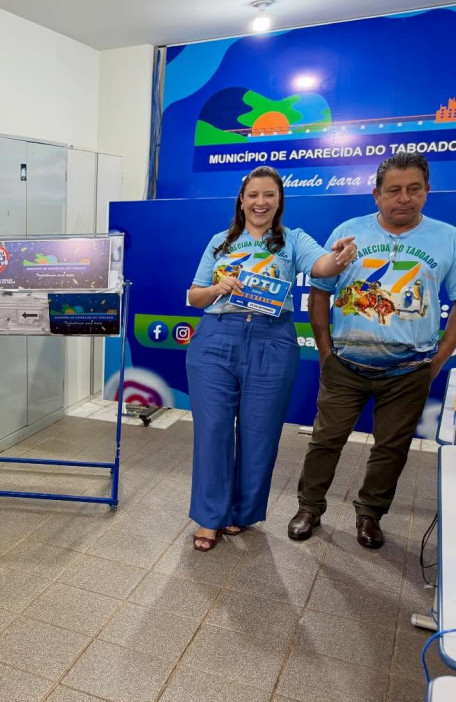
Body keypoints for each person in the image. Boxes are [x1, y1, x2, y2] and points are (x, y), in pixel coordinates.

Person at [186, 166, 357, 551]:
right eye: (253, 195)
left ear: (279, 201)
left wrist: (339, 259)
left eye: (269, 195)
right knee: (213, 431)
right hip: (217, 339)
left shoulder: (293, 240)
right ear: (241, 200)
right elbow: (194, 296)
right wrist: (217, 288)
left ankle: (242, 512)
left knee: (259, 433)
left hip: (272, 340)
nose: (260, 202)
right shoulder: (220, 242)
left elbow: (322, 265)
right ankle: (210, 517)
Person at [290, 154, 456, 548]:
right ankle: (309, 507)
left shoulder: (448, 238)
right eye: (394, 190)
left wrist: (438, 359)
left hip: (410, 370)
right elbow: (320, 291)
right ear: (376, 194)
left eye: (414, 189)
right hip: (345, 365)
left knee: (391, 449)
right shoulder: (349, 232)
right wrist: (326, 351)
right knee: (325, 440)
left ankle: (370, 514)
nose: (404, 198)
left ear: (427, 191)